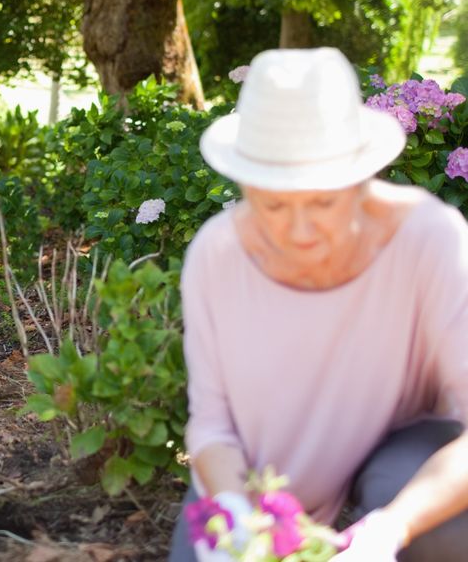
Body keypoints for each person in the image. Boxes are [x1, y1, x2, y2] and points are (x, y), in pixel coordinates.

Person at [169, 47, 468, 561]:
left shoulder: (431, 238)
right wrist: (239, 515)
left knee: (444, 535)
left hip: (411, 438)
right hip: (271, 466)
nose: (301, 230)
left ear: (362, 179)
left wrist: (391, 529)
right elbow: (212, 428)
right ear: (244, 184)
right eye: (275, 204)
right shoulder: (217, 256)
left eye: (325, 201)